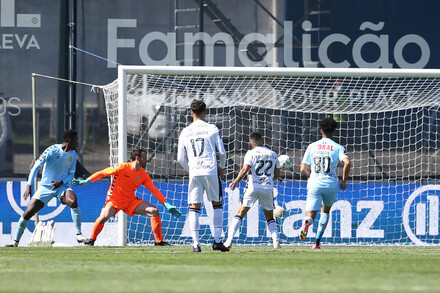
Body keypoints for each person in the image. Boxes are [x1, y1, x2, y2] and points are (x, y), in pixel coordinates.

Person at [73, 148, 181, 246]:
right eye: (144, 158)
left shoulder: (143, 174)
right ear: (137, 158)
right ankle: (91, 240)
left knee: (154, 211)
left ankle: (159, 242)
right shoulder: (122, 167)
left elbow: (154, 190)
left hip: (130, 201)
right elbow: (102, 173)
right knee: (104, 217)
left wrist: (166, 204)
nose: (146, 160)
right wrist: (86, 181)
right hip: (114, 200)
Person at [6, 129, 86, 247]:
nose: (78, 143)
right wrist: (29, 185)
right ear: (69, 141)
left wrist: (62, 182)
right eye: (76, 141)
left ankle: (79, 235)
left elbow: (71, 174)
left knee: (73, 202)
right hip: (45, 188)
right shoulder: (52, 151)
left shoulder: (73, 154)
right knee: (27, 214)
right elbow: (35, 167)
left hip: (62, 186)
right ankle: (15, 242)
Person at [177, 99, 229, 252]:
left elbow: (180, 158)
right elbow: (222, 152)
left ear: (191, 113)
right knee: (217, 204)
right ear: (205, 113)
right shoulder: (212, 128)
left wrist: (190, 169)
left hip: (195, 172)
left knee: (194, 207)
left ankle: (195, 244)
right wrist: (222, 167)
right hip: (211, 170)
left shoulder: (185, 131)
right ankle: (217, 241)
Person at [299, 117, 351, 249]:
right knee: (325, 211)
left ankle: (307, 222)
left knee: (310, 214)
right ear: (334, 131)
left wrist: (312, 177)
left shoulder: (312, 146)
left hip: (315, 183)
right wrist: (343, 181)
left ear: (321, 130)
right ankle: (316, 242)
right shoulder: (338, 147)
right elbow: (347, 163)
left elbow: (303, 168)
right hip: (330, 184)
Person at [224, 132, 281, 249]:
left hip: (252, 187)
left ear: (251, 143)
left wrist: (236, 181)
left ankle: (229, 240)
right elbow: (277, 175)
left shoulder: (251, 153)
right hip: (267, 188)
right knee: (270, 217)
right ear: (263, 140)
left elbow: (245, 169)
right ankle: (276, 242)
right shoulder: (273, 154)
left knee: (240, 213)